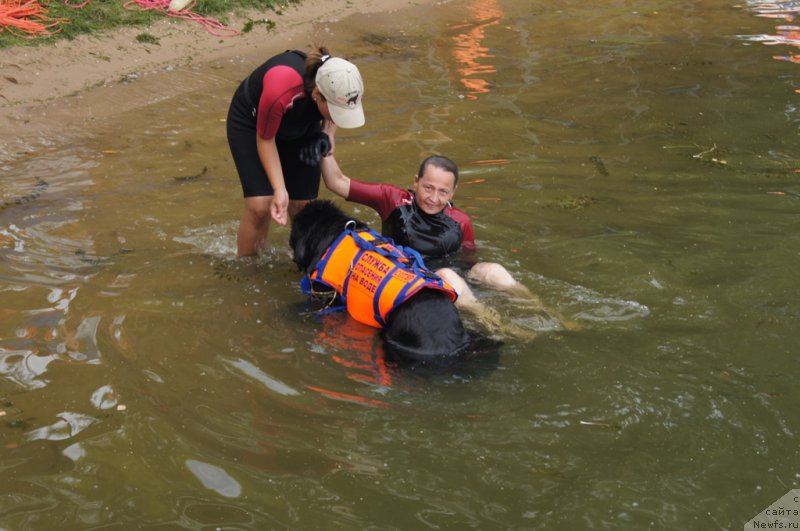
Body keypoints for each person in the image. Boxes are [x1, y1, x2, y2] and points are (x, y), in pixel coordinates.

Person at [317, 121, 561, 336]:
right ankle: (497, 325)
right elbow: (337, 182)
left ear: (453, 192)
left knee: (495, 270)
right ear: (416, 182)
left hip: (453, 275)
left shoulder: (460, 220)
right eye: (428, 188)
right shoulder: (391, 199)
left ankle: (546, 313)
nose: (433, 198)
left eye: (443, 192)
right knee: (448, 276)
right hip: (411, 275)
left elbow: (468, 258)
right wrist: (325, 145)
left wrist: (480, 273)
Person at [226, 46, 365, 256]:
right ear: (318, 94)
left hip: (300, 124)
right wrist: (279, 189)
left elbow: (334, 111)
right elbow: (266, 139)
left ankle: (302, 266)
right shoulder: (282, 85)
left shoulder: (341, 77)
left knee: (303, 206)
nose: (340, 117)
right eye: (337, 112)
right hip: (253, 125)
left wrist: (327, 135)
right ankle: (247, 272)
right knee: (260, 206)